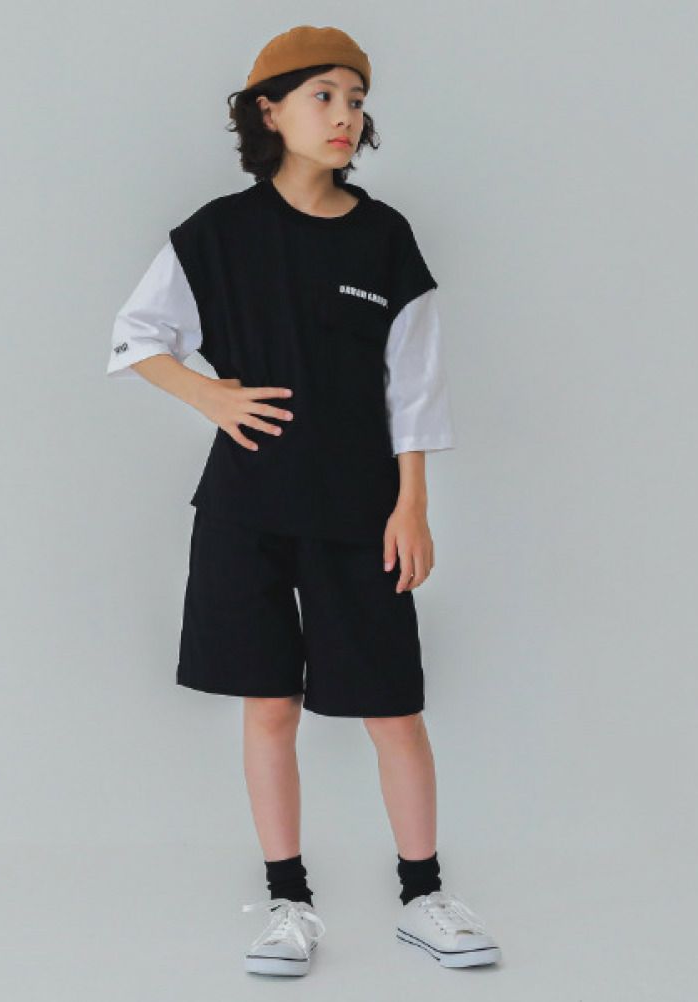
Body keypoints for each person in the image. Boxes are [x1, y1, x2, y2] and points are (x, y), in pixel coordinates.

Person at [107, 24, 501, 976]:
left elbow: (416, 388)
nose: (344, 115)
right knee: (270, 706)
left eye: (355, 99)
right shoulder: (218, 233)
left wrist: (412, 506)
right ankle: (289, 904)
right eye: (322, 95)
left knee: (392, 708)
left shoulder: (385, 238)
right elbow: (137, 333)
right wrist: (210, 395)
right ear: (269, 111)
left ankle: (424, 897)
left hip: (361, 512)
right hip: (246, 508)